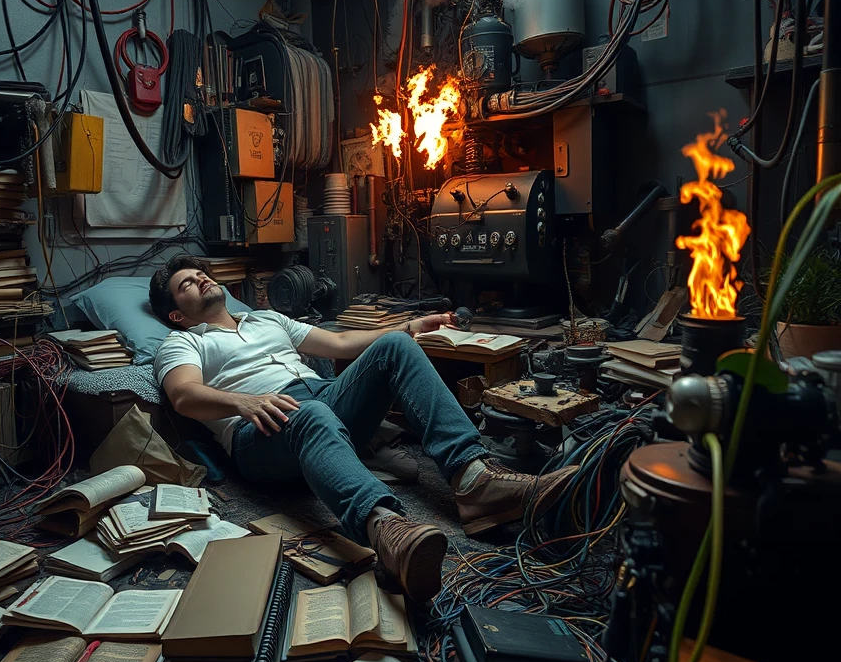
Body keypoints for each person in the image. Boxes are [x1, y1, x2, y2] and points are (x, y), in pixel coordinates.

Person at [151, 255, 576, 602]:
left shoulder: (268, 320)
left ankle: (476, 481)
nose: (200, 278)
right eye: (186, 283)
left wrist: (408, 327)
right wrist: (244, 402)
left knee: (394, 346)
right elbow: (184, 396)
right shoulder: (185, 343)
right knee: (310, 414)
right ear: (177, 314)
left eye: (201, 273)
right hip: (261, 431)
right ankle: (386, 530)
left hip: (323, 396)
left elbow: (337, 345)